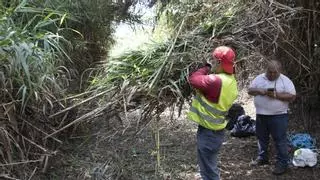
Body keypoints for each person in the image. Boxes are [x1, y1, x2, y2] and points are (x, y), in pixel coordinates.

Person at [187, 46, 238, 180]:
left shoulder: (215, 81)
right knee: (210, 166)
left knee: (209, 170)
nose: (212, 62)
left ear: (219, 62)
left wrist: (206, 67)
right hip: (216, 130)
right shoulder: (231, 80)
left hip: (209, 133)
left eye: (214, 60)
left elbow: (193, 79)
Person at [248, 60, 296, 175]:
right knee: (261, 138)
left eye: (275, 73)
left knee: (280, 140)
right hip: (261, 115)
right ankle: (262, 158)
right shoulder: (259, 78)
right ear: (266, 70)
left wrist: (276, 95)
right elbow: (250, 90)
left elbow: (292, 96)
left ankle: (282, 163)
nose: (272, 75)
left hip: (279, 115)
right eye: (270, 72)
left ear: (279, 71)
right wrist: (258, 90)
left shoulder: (285, 80)